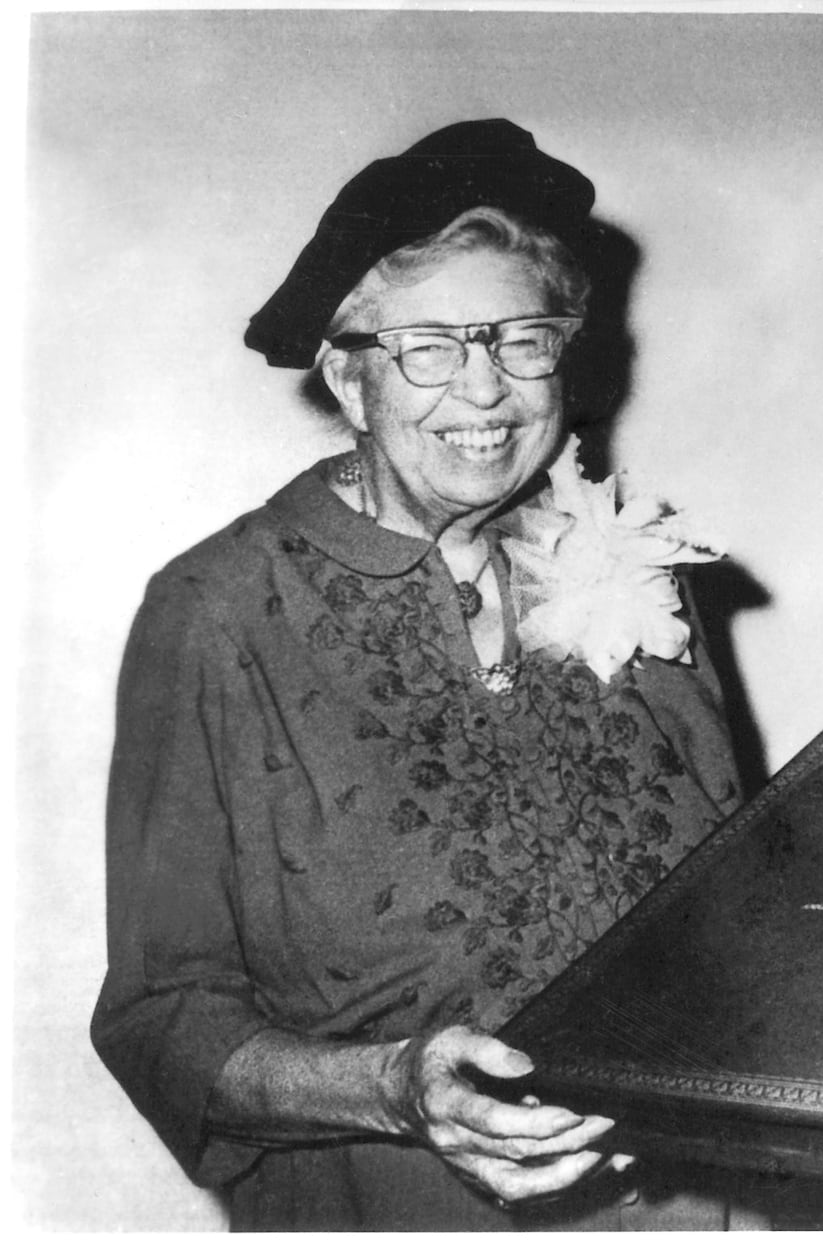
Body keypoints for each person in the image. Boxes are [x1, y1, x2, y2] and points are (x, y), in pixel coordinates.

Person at [90, 119, 764, 1230]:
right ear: (349, 378)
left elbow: (740, 911)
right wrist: (397, 1087)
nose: (488, 390)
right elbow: (162, 1016)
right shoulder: (219, 612)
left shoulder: (643, 570)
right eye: (432, 348)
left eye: (522, 339)